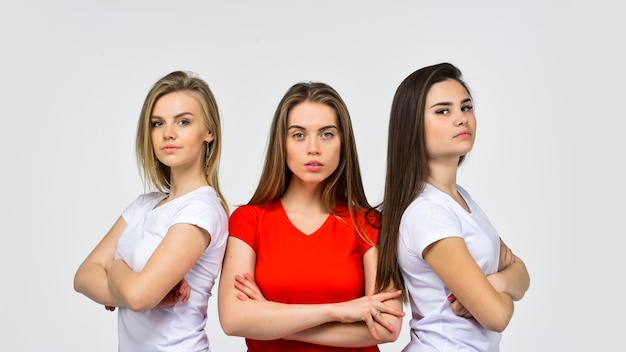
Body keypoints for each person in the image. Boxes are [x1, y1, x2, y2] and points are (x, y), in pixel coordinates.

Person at [218, 81, 405, 351]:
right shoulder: (249, 219)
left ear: (343, 142)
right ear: (281, 143)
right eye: (298, 135)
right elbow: (233, 319)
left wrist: (271, 321)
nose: (313, 148)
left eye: (327, 134)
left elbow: (388, 326)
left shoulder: (367, 223)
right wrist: (338, 312)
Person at [375, 62, 530, 351]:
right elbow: (496, 316)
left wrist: (493, 286)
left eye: (466, 107)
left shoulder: (460, 199)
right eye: (443, 111)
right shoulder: (428, 213)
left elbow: (522, 273)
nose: (462, 119)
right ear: (412, 126)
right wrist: (500, 294)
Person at [73, 71, 229, 352]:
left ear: (209, 132)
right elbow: (83, 277)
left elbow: (138, 297)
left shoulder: (202, 209)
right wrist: (129, 290)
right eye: (158, 123)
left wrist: (113, 268)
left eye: (183, 121)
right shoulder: (143, 205)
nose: (168, 133)